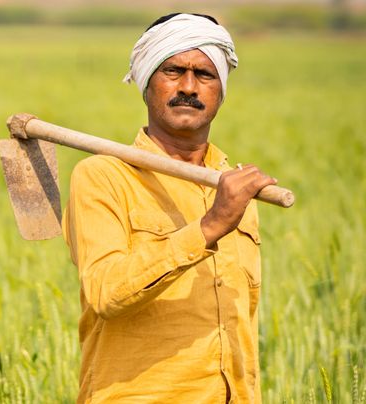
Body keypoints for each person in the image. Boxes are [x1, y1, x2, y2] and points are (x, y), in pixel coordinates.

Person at [63, 13, 277, 403]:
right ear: (147, 82)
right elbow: (106, 292)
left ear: (221, 90)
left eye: (205, 75)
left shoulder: (234, 186)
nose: (189, 87)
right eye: (173, 71)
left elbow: (242, 322)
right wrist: (210, 226)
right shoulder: (102, 177)